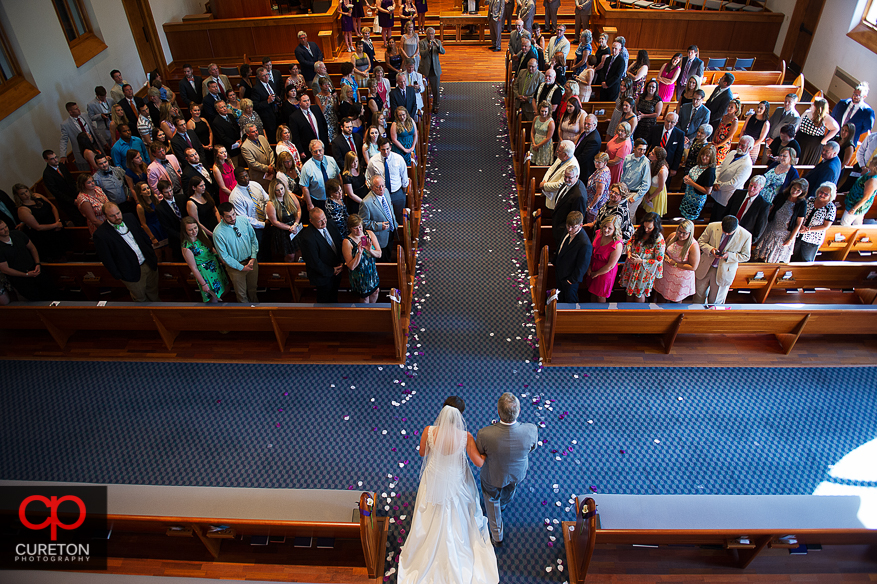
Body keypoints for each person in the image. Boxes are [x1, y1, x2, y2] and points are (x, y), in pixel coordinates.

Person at [398, 401, 498, 584]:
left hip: (434, 477)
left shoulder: (429, 431)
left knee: (429, 511)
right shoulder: (465, 437)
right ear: (460, 416)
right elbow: (479, 462)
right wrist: (487, 453)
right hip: (455, 479)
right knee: (459, 512)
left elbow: (422, 453)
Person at [476, 393, 538, 548]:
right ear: (519, 411)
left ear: (498, 412)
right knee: (509, 488)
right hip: (517, 473)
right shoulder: (531, 429)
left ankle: (497, 536)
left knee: (492, 501)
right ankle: (504, 503)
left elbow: (480, 452)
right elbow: (532, 448)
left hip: (493, 476)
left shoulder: (485, 433)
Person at [92, 202, 160, 302]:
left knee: (153, 291)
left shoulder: (130, 217)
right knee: (140, 297)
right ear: (105, 216)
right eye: (112, 216)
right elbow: (106, 258)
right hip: (130, 271)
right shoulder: (101, 234)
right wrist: (119, 275)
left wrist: (152, 255)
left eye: (118, 213)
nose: (117, 217)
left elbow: (143, 236)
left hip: (147, 263)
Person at [694, 216, 752, 305]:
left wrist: (729, 255)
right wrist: (710, 249)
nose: (727, 234)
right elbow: (701, 242)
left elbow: (746, 256)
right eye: (725, 232)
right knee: (699, 294)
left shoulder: (746, 236)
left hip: (725, 270)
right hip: (706, 265)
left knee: (716, 300)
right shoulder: (712, 226)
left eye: (730, 233)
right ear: (721, 225)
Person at [213, 203, 259, 303]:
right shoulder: (218, 233)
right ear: (222, 217)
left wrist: (253, 257)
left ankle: (256, 312)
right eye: (228, 216)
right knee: (241, 294)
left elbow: (253, 239)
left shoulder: (243, 220)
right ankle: (246, 316)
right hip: (235, 266)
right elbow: (224, 256)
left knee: (253, 289)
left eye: (233, 214)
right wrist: (241, 267)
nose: (233, 218)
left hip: (251, 261)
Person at [755, 178, 808, 264]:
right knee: (761, 256)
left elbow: (798, 224)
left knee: (774, 260)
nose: (795, 191)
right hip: (771, 229)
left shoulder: (802, 204)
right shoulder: (781, 196)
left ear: (802, 192)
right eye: (794, 188)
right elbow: (771, 210)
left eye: (798, 190)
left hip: (784, 235)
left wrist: (790, 239)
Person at [298, 207, 344, 303]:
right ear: (311, 221)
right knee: (324, 300)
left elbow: (339, 243)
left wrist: (342, 262)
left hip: (337, 269)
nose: (324, 223)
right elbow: (314, 262)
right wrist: (332, 270)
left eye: (324, 219)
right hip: (322, 275)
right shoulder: (307, 238)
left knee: (334, 297)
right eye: (320, 221)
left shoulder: (330, 224)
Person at [180, 217, 229, 303]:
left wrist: (221, 259)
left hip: (215, 267)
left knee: (225, 289)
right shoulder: (186, 247)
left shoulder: (201, 235)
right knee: (213, 299)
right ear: (185, 231)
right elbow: (193, 267)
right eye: (190, 230)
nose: (194, 231)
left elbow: (211, 247)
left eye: (195, 228)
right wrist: (203, 284)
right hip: (205, 273)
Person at [12, 184, 66, 263]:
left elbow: (53, 207)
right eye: (22, 194)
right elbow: (38, 227)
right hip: (45, 236)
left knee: (64, 248)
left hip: (56, 226)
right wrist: (55, 225)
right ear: (18, 196)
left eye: (26, 191)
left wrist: (58, 221)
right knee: (56, 256)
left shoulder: (37, 196)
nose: (26, 195)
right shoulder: (22, 210)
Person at [619, 212, 664, 302]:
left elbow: (659, 260)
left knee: (638, 294)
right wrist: (629, 254)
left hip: (644, 270)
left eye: (649, 228)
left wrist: (641, 261)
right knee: (629, 291)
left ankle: (638, 314)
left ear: (656, 226)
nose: (646, 229)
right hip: (632, 266)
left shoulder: (659, 239)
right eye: (645, 226)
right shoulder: (639, 231)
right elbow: (630, 243)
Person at [653, 219, 700, 303]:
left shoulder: (693, 246)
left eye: (684, 233)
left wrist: (675, 263)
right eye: (679, 231)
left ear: (690, 233)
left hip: (680, 278)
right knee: (661, 295)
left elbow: (693, 267)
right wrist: (665, 255)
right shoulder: (673, 236)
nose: (681, 235)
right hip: (666, 272)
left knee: (676, 300)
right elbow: (663, 248)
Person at [366, 137, 410, 222]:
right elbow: (369, 178)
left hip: (396, 192)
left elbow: (404, 176)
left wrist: (403, 191)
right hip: (380, 194)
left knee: (399, 217)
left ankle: (400, 234)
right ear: (378, 149)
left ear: (390, 147)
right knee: (384, 218)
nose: (386, 152)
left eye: (387, 149)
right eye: (383, 150)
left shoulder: (398, 158)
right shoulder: (373, 161)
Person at [711, 135, 754, 221]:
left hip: (727, 197)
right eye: (739, 144)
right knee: (713, 217)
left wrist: (719, 186)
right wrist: (715, 181)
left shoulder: (746, 164)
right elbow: (720, 167)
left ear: (749, 148)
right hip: (717, 191)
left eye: (743, 146)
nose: (740, 147)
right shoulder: (732, 153)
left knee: (719, 219)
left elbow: (734, 184)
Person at [341, 214, 382, 303]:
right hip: (360, 275)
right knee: (365, 298)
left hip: (371, 271)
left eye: (360, 227)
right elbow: (351, 266)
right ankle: (366, 315)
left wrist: (370, 250)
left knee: (375, 291)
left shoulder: (369, 234)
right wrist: (359, 253)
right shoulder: (347, 242)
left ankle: (372, 311)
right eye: (355, 228)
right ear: (350, 228)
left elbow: (379, 254)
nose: (359, 230)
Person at [581, 215, 622, 302]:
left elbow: (610, 266)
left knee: (600, 295)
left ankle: (600, 314)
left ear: (615, 229)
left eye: (610, 228)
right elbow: (591, 250)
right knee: (592, 291)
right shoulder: (599, 233)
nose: (606, 230)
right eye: (605, 226)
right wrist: (589, 267)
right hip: (593, 266)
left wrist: (596, 273)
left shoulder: (617, 244)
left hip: (605, 272)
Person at [793, 182, 837, 262]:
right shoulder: (810, 200)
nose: (822, 195)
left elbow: (826, 226)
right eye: (821, 192)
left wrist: (808, 229)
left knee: (805, 260)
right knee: (793, 257)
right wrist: (801, 225)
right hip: (799, 234)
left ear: (831, 196)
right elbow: (801, 213)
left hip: (812, 239)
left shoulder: (830, 208)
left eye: (826, 194)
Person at [229, 168, 269, 256]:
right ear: (236, 179)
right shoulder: (235, 196)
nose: (246, 178)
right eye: (242, 177)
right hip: (253, 228)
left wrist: (268, 217)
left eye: (246, 175)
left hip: (267, 221)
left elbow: (267, 200)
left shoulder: (255, 185)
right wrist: (262, 224)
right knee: (259, 252)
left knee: (269, 248)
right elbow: (244, 218)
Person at [723, 175, 771, 244]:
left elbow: (760, 226)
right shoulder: (738, 193)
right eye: (751, 185)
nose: (751, 189)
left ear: (761, 188)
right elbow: (727, 211)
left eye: (755, 187)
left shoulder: (764, 205)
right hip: (728, 229)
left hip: (743, 235)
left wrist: (751, 241)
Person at [265, 178, 302, 262]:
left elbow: (299, 210)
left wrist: (296, 224)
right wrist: (289, 228)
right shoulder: (271, 204)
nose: (281, 192)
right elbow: (274, 222)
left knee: (299, 252)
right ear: (273, 191)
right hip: (283, 231)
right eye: (277, 190)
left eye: (282, 189)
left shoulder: (291, 196)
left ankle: (298, 272)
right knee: (290, 255)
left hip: (295, 227)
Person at [300, 139, 342, 212]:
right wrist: (309, 205)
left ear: (323, 149)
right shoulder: (307, 167)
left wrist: (341, 194)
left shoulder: (331, 160)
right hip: (318, 201)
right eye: (315, 151)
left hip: (334, 198)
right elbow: (304, 187)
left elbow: (338, 176)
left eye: (320, 150)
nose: (318, 153)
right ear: (311, 152)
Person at [551, 166, 587, 248]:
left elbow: (576, 220)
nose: (566, 179)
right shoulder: (569, 183)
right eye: (565, 177)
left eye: (569, 178)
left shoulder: (579, 196)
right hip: (558, 223)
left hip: (564, 230)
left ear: (577, 176)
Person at [133, 181, 169, 261]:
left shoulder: (155, 198)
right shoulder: (140, 206)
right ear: (140, 193)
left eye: (148, 188)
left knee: (168, 251)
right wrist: (152, 237)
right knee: (158, 254)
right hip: (152, 229)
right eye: (144, 189)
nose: (147, 190)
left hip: (161, 226)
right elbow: (143, 223)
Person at [679, 143, 716, 221]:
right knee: (684, 216)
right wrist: (687, 178)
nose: (704, 157)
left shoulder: (710, 172)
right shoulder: (700, 164)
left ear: (711, 158)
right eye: (703, 154)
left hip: (696, 200)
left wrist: (691, 183)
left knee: (689, 220)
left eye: (707, 156)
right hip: (688, 196)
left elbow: (707, 191)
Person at [797, 98, 839, 165]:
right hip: (800, 140)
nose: (812, 104)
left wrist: (824, 140)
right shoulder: (807, 112)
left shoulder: (825, 118)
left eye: (814, 104)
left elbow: (836, 128)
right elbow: (799, 123)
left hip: (813, 146)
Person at [831, 82, 873, 147]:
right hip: (833, 136)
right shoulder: (842, 103)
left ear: (864, 96)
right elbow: (833, 116)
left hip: (849, 142)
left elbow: (866, 128)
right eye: (854, 94)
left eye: (859, 96)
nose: (855, 97)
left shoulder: (867, 112)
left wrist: (850, 133)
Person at [539, 140, 579, 210]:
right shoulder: (561, 157)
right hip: (548, 191)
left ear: (566, 155)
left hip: (555, 197)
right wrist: (544, 181)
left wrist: (545, 186)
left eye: (559, 151)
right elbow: (551, 169)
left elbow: (561, 184)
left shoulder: (571, 167)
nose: (557, 151)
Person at [60, 101, 96, 171]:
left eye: (78, 108)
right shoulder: (65, 125)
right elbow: (63, 140)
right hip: (81, 151)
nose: (79, 110)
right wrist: (63, 155)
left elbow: (93, 128)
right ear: (70, 112)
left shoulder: (84, 115)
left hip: (93, 146)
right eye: (76, 109)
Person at [840, 157, 877, 226]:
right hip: (853, 200)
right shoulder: (869, 173)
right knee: (857, 224)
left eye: (872, 162)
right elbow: (860, 187)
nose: (870, 162)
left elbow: (866, 197)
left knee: (844, 223)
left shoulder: (873, 180)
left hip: (857, 205)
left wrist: (854, 208)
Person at [764, 93, 801, 161]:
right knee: (765, 160)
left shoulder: (795, 117)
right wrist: (768, 137)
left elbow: (790, 133)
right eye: (785, 101)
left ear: (795, 103)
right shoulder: (778, 110)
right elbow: (770, 123)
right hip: (769, 139)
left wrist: (774, 141)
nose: (786, 103)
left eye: (789, 102)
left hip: (779, 143)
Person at [241, 123, 276, 191]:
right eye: (253, 132)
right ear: (247, 134)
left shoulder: (262, 138)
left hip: (271, 172)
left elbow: (270, 151)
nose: (256, 133)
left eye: (256, 130)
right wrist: (267, 168)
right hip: (259, 177)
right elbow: (253, 164)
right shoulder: (245, 147)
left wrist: (272, 165)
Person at [620, 138, 650, 217]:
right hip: (625, 191)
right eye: (640, 149)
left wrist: (636, 197)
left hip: (635, 192)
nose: (642, 152)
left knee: (629, 215)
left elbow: (646, 184)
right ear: (634, 148)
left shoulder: (645, 162)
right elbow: (623, 174)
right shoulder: (628, 158)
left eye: (644, 150)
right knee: (621, 213)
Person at [647, 112, 683, 176]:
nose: (669, 124)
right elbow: (647, 144)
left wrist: (674, 168)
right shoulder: (655, 129)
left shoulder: (679, 134)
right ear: (665, 119)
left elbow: (679, 152)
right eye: (668, 121)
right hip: (652, 162)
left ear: (676, 123)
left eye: (672, 122)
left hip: (668, 165)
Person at [585, 152, 611, 223]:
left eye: (599, 162)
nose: (596, 164)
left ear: (605, 162)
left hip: (596, 205)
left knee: (592, 224)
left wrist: (590, 206)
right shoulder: (604, 169)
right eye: (595, 161)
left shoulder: (601, 176)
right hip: (597, 201)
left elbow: (599, 194)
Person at [643, 146, 668, 218]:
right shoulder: (652, 163)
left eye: (653, 153)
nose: (650, 153)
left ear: (657, 157)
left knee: (653, 216)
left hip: (656, 193)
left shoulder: (662, 170)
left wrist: (650, 197)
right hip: (650, 190)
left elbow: (660, 188)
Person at [713, 98, 740, 165]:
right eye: (729, 106)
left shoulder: (734, 120)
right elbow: (718, 129)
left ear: (736, 109)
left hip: (723, 144)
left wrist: (719, 145)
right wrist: (713, 140)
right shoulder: (724, 116)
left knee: (718, 162)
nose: (729, 108)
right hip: (717, 140)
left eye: (732, 107)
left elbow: (729, 136)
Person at [574, 114, 601, 181]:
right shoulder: (587, 133)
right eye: (585, 123)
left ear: (594, 125)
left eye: (588, 124)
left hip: (585, 170)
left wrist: (573, 162)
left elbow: (584, 157)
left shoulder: (593, 140)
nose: (586, 126)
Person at [529, 101, 555, 166]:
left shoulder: (551, 122)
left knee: (542, 164)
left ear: (548, 111)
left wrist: (538, 146)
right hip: (535, 143)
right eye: (542, 111)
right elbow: (532, 132)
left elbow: (548, 138)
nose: (543, 113)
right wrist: (534, 143)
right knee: (532, 163)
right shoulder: (536, 118)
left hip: (544, 146)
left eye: (545, 111)